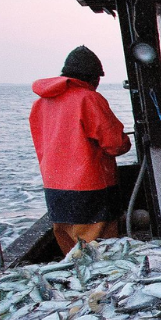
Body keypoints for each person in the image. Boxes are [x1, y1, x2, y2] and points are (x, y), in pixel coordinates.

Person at [29, 46, 132, 255]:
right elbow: (115, 144)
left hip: (55, 192)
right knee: (103, 257)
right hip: (91, 193)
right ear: (93, 78)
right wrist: (126, 141)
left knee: (74, 257)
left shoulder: (40, 104)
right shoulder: (89, 98)